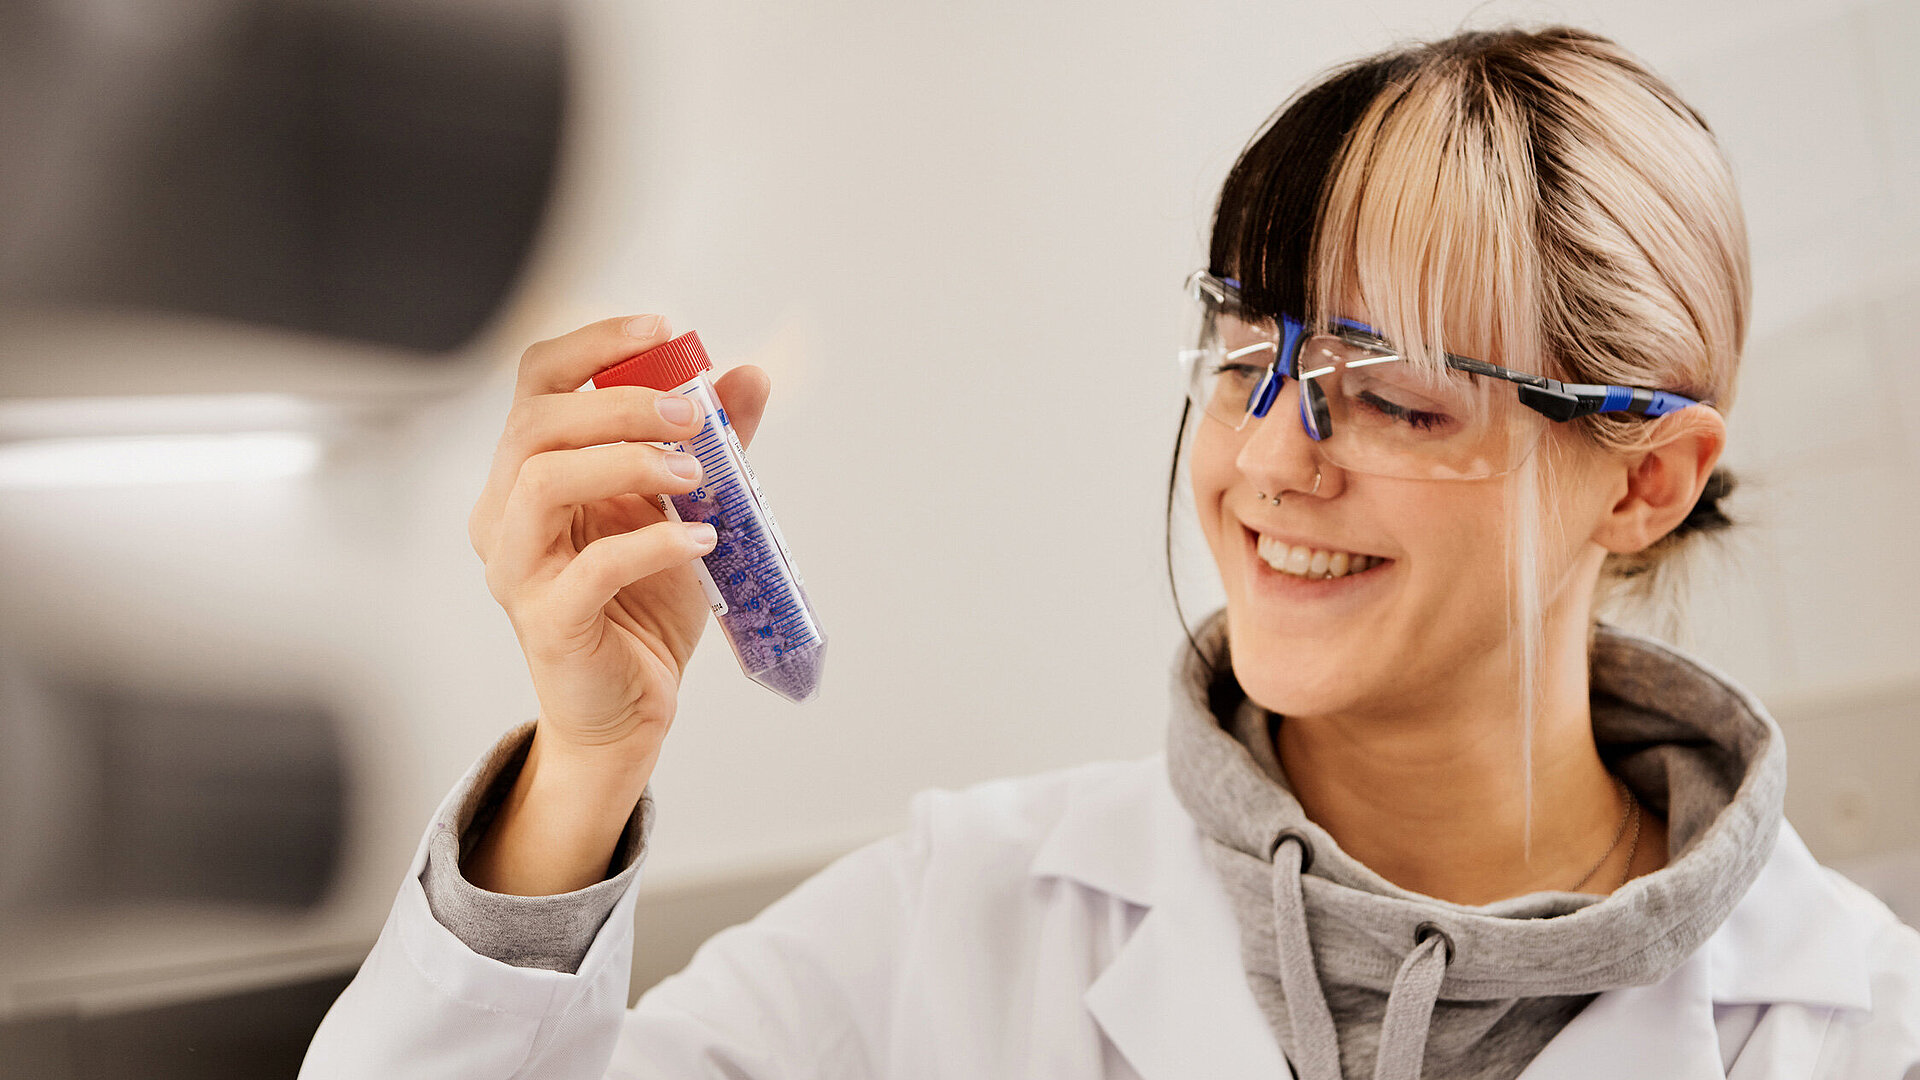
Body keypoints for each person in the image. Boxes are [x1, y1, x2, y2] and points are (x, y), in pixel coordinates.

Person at [300, 26, 1920, 1080]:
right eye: (1245, 356)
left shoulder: (1855, 1028)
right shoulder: (968, 922)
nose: (1272, 458)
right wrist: (586, 765)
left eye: (1396, 400)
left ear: (1645, 484)